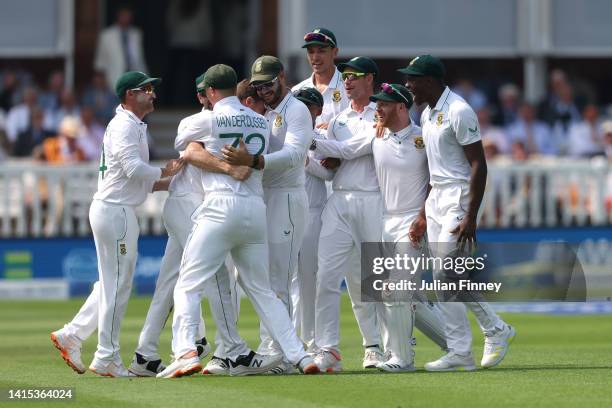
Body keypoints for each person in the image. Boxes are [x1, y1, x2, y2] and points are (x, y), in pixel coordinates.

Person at [157, 64, 318, 377]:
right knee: (262, 290)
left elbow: (185, 144)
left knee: (188, 284)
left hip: (219, 207)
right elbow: (270, 154)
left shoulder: (203, 119)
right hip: (255, 209)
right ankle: (299, 355)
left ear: (212, 92)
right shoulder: (261, 121)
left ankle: (186, 352)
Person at [50, 71, 184, 377]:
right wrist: (167, 170)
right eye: (146, 90)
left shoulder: (131, 124)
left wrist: (169, 183)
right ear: (129, 95)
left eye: (152, 89)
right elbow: (133, 169)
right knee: (117, 285)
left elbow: (128, 178)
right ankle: (107, 356)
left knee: (112, 282)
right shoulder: (125, 125)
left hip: (116, 209)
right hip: (115, 212)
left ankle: (73, 334)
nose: (153, 94)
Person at [129, 72, 250, 377]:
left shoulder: (202, 124)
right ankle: (213, 347)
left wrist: (152, 184)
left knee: (169, 283)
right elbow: (192, 161)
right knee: (216, 275)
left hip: (182, 206)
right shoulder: (208, 124)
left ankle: (145, 352)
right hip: (191, 209)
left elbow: (182, 170)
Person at [402, 55, 515, 371]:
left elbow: (479, 163)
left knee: (446, 274)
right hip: (437, 198)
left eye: (412, 78)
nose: (407, 84)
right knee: (443, 281)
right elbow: (433, 169)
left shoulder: (459, 111)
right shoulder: (427, 113)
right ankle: (461, 352)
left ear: (430, 80)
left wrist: (471, 215)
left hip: (458, 198)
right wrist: (424, 212)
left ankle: (495, 329)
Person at [222, 56, 313, 374]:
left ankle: (283, 355)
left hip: (287, 198)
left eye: (268, 84)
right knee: (255, 278)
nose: (263, 91)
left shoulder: (296, 110)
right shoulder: (264, 113)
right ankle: (273, 347)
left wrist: (255, 161)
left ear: (282, 78)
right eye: (258, 86)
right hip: (264, 198)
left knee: (279, 278)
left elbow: (295, 155)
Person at [291, 87, 334, 350]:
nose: (304, 111)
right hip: (286, 211)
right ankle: (288, 342)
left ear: (318, 110)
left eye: (309, 107)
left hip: (314, 211)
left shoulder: (319, 137)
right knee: (287, 281)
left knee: (309, 280)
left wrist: (309, 164)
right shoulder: (286, 134)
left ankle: (311, 341)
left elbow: (330, 174)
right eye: (300, 106)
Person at [94, 6, 148, 92]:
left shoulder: (136, 34)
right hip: (114, 81)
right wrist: (102, 83)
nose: (126, 18)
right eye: (124, 15)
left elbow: (140, 60)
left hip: (133, 81)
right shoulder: (107, 35)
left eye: (128, 16)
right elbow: (100, 62)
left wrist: (146, 80)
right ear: (118, 16)